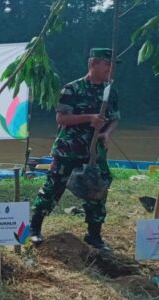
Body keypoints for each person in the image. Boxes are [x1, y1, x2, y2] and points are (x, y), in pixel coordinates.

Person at [29, 48, 120, 252]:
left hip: (93, 153)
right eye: (107, 64)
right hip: (68, 149)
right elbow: (61, 119)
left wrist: (107, 134)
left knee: (98, 190)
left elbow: (114, 118)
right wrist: (90, 118)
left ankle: (94, 235)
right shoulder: (72, 89)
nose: (110, 69)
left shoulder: (109, 91)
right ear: (94, 64)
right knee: (53, 189)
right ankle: (34, 229)